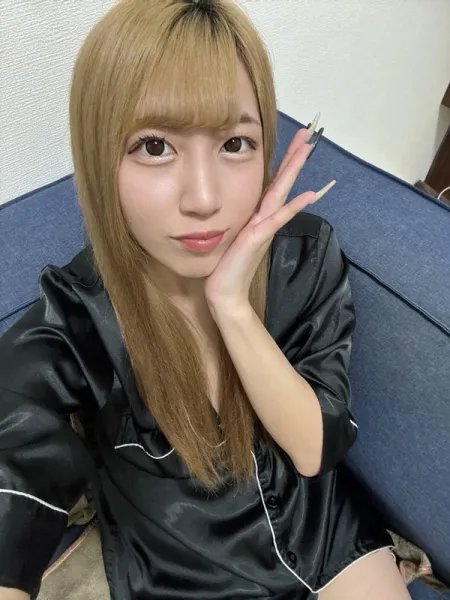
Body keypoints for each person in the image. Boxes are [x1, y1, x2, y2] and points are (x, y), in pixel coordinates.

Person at [0, 1, 412, 599]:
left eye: (236, 143)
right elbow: (14, 454)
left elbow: (313, 451)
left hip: (323, 536)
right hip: (186, 573)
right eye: (154, 146)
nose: (203, 197)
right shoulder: (78, 314)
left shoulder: (303, 256)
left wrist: (232, 307)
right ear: (98, 156)